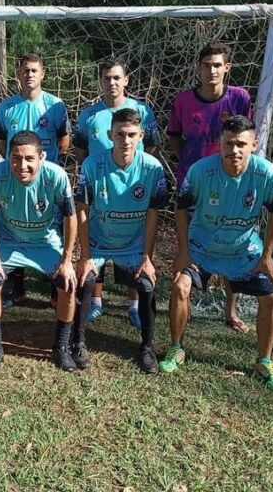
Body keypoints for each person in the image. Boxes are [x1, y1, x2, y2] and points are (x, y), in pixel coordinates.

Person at [159, 116, 273, 394]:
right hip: (201, 246)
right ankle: (176, 348)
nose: (235, 150)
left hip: (243, 249)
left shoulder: (267, 174)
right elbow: (180, 209)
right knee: (181, 287)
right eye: (228, 143)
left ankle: (264, 362)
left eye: (241, 144)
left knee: (269, 295)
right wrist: (183, 252)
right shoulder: (200, 171)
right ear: (219, 143)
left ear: (254, 145)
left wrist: (267, 255)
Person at [167, 42, 253, 334]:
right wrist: (195, 167)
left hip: (230, 186)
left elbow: (244, 136)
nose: (212, 70)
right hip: (194, 186)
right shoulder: (183, 101)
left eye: (218, 65)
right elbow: (174, 139)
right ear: (198, 68)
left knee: (231, 244)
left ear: (226, 68)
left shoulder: (240, 98)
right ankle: (183, 306)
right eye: (207, 65)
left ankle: (231, 310)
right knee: (189, 245)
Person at [74, 109, 168, 373]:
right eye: (119, 135)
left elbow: (152, 214)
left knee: (147, 286)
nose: (125, 141)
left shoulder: (153, 168)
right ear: (109, 135)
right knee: (86, 280)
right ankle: (78, 342)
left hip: (133, 244)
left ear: (141, 135)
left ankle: (147, 347)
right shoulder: (92, 165)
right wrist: (85, 255)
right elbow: (82, 211)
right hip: (99, 240)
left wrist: (147, 258)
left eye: (130, 135)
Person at [73, 57, 162, 327]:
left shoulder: (142, 110)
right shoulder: (89, 115)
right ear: (101, 81)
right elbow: (80, 151)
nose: (111, 82)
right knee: (97, 240)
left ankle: (134, 304)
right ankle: (96, 301)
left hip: (132, 190)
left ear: (126, 80)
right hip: (101, 189)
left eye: (116, 78)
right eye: (106, 78)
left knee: (132, 246)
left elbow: (152, 148)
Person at [0, 131, 80, 372]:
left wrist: (67, 260)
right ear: (8, 156)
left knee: (67, 284)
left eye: (29, 159)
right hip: (10, 241)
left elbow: (70, 217)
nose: (21, 165)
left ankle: (61, 347)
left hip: (44, 242)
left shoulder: (56, 176)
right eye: (15, 158)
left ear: (41, 157)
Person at [0, 54, 70, 309]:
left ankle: (54, 290)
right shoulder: (6, 106)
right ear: (18, 73)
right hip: (15, 178)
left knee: (52, 230)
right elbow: (2, 142)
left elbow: (64, 141)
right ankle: (17, 290)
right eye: (25, 70)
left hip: (46, 183)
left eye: (34, 70)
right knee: (13, 228)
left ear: (43, 74)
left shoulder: (56, 105)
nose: (29, 74)